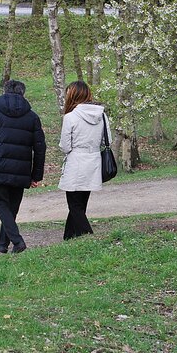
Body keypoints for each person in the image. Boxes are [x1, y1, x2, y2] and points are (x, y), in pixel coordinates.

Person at [0, 80, 46, 254]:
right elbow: (40, 148)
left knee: (1, 203)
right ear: (23, 94)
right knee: (11, 207)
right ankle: (2, 244)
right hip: (21, 170)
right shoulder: (32, 117)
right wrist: (36, 175)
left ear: (4, 92)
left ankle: (17, 242)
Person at [58, 81, 112, 240]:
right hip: (93, 161)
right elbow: (106, 140)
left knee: (74, 205)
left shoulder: (70, 117)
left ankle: (89, 236)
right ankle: (68, 238)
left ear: (72, 95)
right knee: (80, 205)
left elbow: (65, 146)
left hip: (76, 162)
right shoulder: (101, 115)